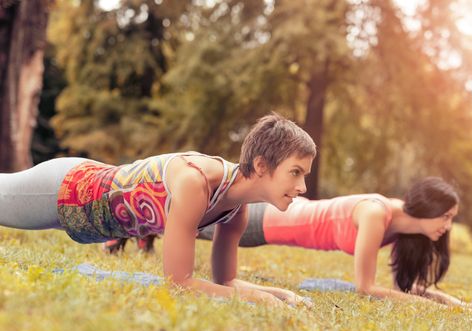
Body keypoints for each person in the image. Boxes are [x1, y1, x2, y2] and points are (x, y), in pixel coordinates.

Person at [0, 113, 316, 307]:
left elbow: (227, 282)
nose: (302, 187)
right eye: (295, 172)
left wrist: (279, 295)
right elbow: (179, 282)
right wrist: (255, 298)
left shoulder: (236, 210)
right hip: (67, 190)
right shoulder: (197, 183)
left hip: (86, 220)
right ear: (261, 166)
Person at [199, 177, 466, 306]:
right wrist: (428, 307)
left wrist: (449, 302)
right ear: (427, 209)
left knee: (195, 224)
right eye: (445, 216)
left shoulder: (405, 229)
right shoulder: (376, 213)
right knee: (192, 223)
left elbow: (402, 289)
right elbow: (366, 288)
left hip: (283, 219)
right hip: (269, 219)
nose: (448, 226)